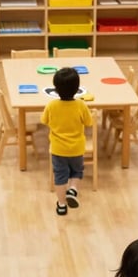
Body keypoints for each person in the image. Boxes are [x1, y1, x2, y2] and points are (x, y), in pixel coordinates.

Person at [40, 67, 93, 216]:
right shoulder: (81, 105)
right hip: (76, 148)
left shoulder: (51, 106)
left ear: (55, 89)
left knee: (60, 176)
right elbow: (89, 122)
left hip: (58, 149)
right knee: (77, 172)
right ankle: (73, 189)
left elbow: (44, 120)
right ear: (77, 89)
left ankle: (61, 204)